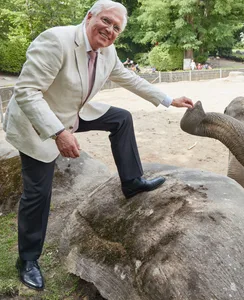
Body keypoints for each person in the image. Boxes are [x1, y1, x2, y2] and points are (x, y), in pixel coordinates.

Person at [3, 0, 193, 291]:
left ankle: (132, 181)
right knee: (38, 193)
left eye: (116, 28)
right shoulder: (56, 41)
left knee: (121, 119)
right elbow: (27, 92)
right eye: (106, 21)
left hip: (71, 112)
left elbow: (128, 77)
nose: (110, 29)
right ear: (89, 16)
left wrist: (168, 100)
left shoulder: (108, 51)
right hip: (36, 121)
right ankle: (27, 260)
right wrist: (58, 133)